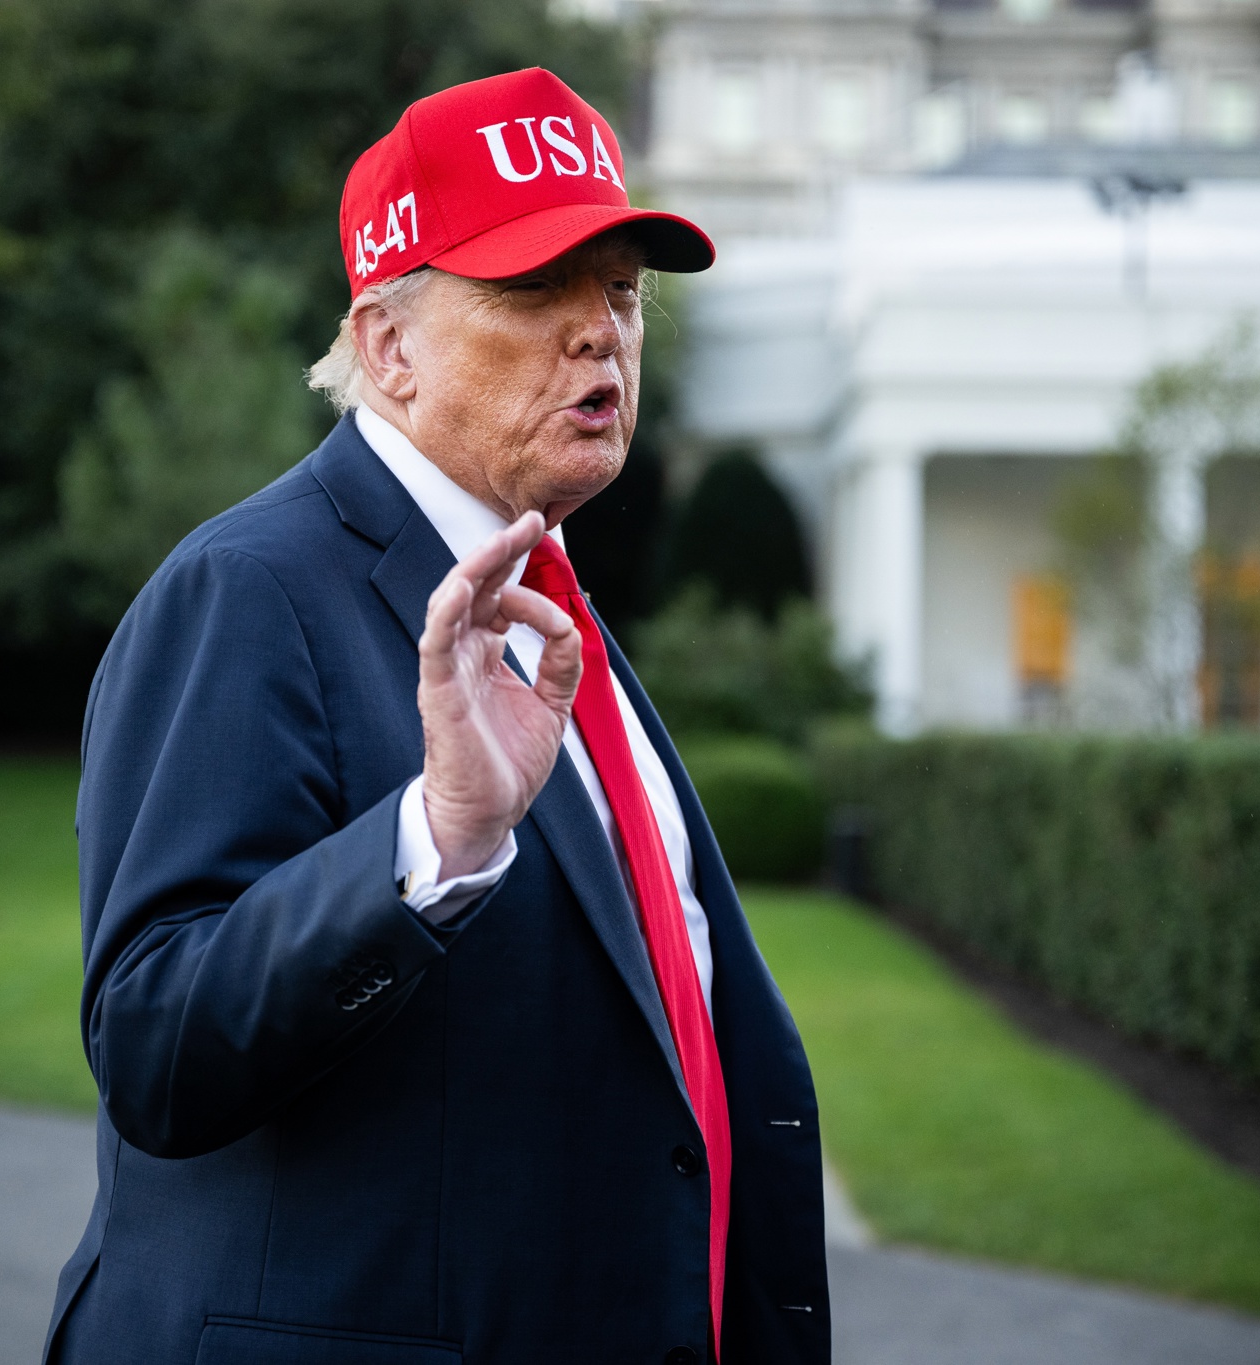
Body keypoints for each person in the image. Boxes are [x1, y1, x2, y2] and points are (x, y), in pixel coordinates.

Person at [46, 67, 829, 1365]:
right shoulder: (248, 588)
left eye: (621, 290)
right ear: (388, 346)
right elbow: (154, 1044)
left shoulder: (545, 602)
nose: (601, 332)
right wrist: (433, 842)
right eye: (535, 289)